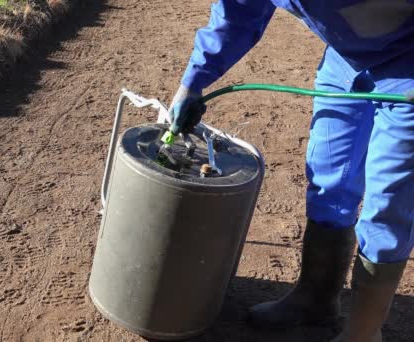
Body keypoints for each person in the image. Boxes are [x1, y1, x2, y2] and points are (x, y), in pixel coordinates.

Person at [169, 1, 414, 341]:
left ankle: (363, 331)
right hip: (346, 62)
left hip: (408, 67)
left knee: (388, 203)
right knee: (329, 179)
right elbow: (237, 11)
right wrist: (192, 82)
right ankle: (316, 297)